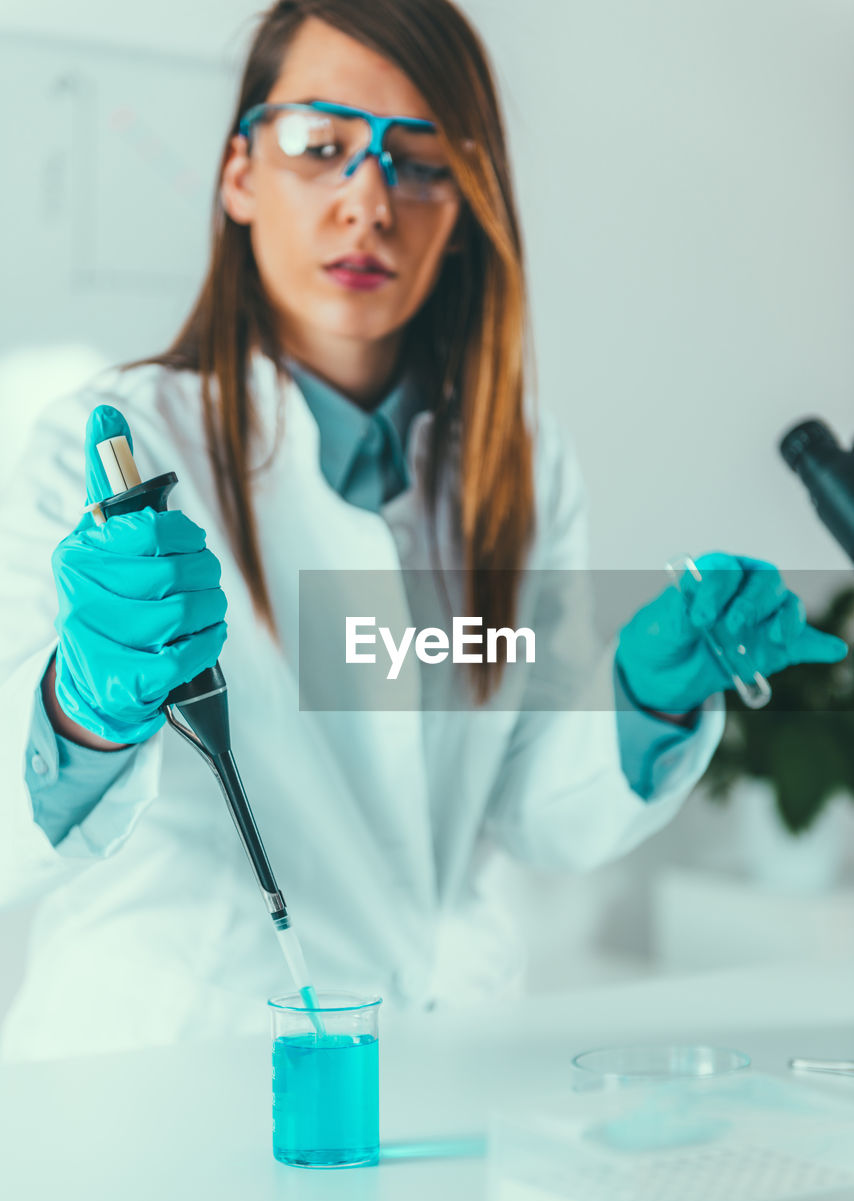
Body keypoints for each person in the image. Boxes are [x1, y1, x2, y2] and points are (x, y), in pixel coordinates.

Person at [0, 0, 844, 1061]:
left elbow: (538, 808)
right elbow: (10, 822)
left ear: (462, 204)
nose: (369, 201)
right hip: (163, 1073)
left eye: (420, 160)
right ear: (240, 175)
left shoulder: (518, 469)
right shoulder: (98, 443)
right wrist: (83, 707)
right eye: (321, 148)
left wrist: (642, 697)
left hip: (439, 1060)